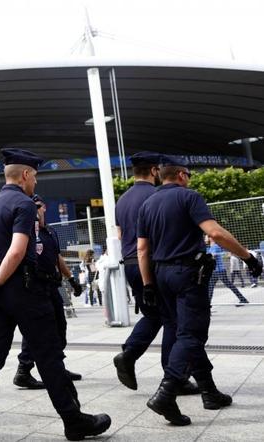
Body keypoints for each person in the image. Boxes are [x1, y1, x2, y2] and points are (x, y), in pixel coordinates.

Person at [0, 148, 110, 442]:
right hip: (24, 291)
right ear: (25, 174)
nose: (36, 183)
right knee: (49, 356)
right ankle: (73, 420)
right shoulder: (24, 205)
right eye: (35, 177)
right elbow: (16, 251)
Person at [137, 155, 263, 426]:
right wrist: (248, 258)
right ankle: (166, 392)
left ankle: (208, 392)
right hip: (187, 274)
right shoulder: (189, 197)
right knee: (191, 334)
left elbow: (142, 249)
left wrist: (148, 284)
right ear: (182, 175)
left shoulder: (148, 204)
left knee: (183, 332)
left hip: (160, 275)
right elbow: (214, 233)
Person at [112, 152, 199, 396]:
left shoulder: (122, 200)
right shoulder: (156, 196)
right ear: (153, 171)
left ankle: (129, 354)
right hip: (152, 263)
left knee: (153, 315)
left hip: (130, 264)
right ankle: (175, 376)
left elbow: (120, 235)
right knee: (172, 319)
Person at [12, 194, 83, 390]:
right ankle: (23, 370)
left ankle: (58, 367)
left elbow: (57, 258)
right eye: (32, 206)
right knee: (35, 329)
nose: (35, 210)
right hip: (34, 287)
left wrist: (72, 279)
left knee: (60, 327)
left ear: (44, 208)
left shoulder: (50, 232)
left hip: (52, 286)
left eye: (38, 206)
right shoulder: (25, 232)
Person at [206, 237, 249, 305]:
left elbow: (212, 256)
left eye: (206, 237)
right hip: (215, 271)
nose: (205, 238)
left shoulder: (215, 246)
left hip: (219, 270)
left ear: (210, 238)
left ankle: (243, 299)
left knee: (227, 286)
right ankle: (207, 305)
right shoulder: (210, 247)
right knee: (210, 287)